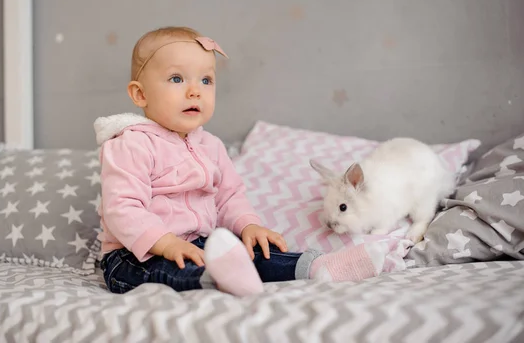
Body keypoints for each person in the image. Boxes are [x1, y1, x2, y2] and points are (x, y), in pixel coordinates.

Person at [94, 26, 386, 296]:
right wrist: (167, 243)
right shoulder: (131, 143)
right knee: (170, 270)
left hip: (203, 244)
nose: (195, 90)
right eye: (177, 78)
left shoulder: (211, 146)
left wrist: (248, 226)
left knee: (255, 252)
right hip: (136, 254)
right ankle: (216, 279)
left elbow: (229, 197)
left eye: (206, 80)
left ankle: (316, 267)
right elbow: (123, 208)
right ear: (140, 94)